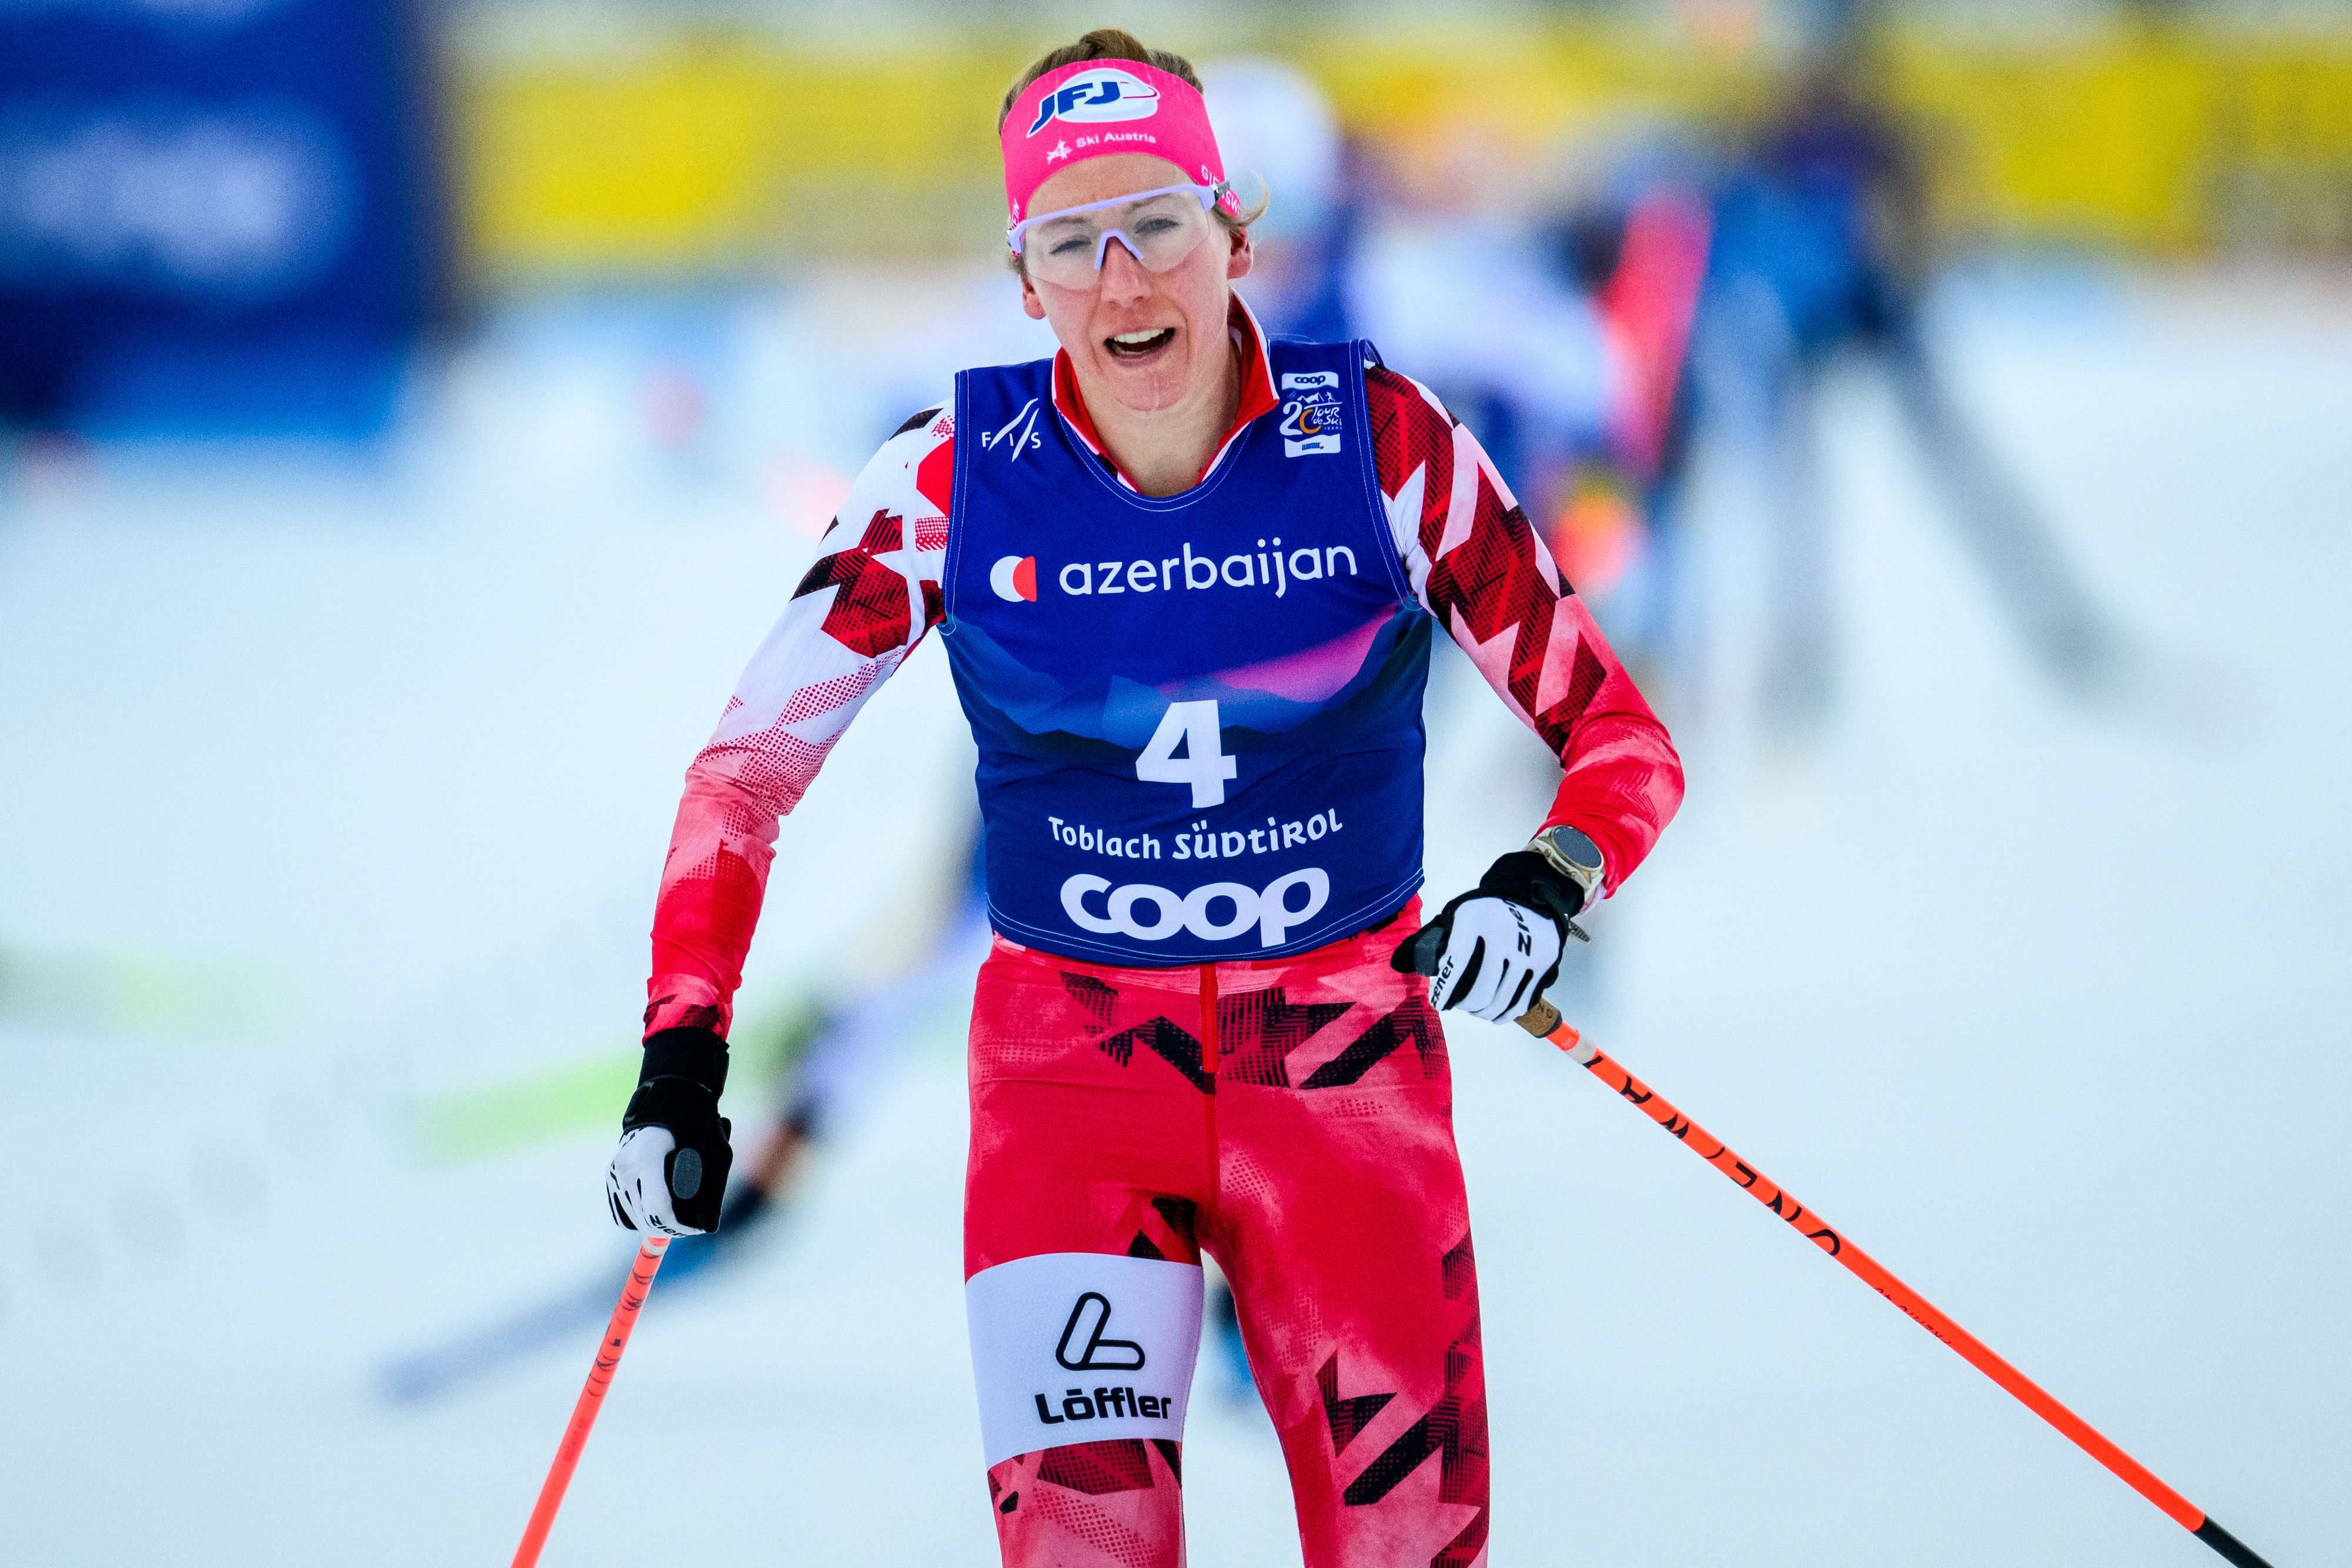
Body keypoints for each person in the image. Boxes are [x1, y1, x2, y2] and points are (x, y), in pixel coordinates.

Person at [603, 29, 1683, 1566]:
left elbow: (1621, 733)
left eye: (1161, 224)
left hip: (1342, 1083)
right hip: (1071, 1092)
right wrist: (679, 1052)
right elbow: (742, 775)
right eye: (1071, 238)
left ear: (1236, 233)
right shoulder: (945, 484)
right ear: (1022, 273)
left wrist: (1546, 883)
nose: (1124, 280)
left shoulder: (1387, 446)